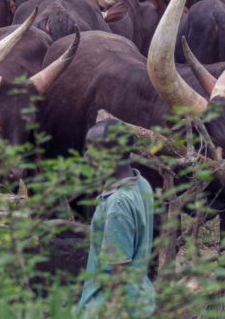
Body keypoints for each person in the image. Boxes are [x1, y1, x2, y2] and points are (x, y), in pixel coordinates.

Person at [75, 119, 155, 318]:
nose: (88, 156)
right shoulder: (141, 183)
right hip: (141, 297)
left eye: (94, 149)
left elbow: (118, 275)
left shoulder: (118, 204)